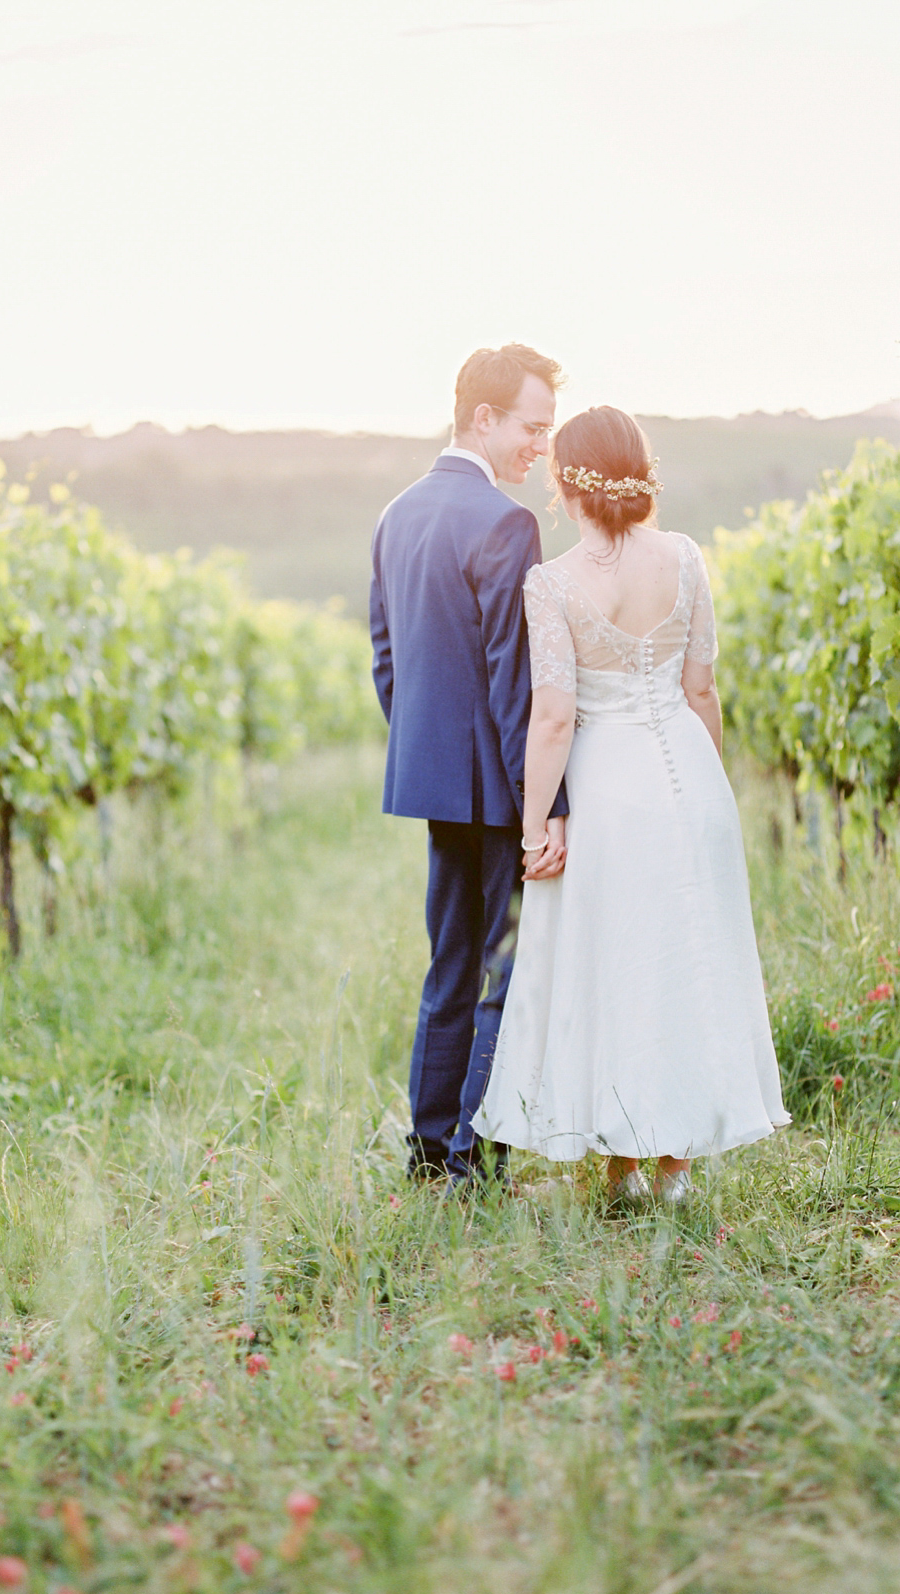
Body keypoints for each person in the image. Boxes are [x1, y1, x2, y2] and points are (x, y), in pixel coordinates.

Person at [471, 405, 788, 1204]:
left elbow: (551, 715)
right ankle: (671, 1163)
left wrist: (535, 820)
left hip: (608, 782)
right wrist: (704, 784)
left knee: (614, 965)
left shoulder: (552, 582)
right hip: (685, 771)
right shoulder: (684, 559)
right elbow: (701, 688)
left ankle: (622, 1163)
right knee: (682, 959)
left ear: (565, 484)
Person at [370, 344, 569, 1187]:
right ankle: (471, 1166)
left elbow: (387, 661)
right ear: (482, 418)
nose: (540, 447)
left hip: (434, 784)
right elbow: (511, 678)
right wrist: (542, 808)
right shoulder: (503, 524)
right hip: (497, 791)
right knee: (501, 972)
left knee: (450, 964)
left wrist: (429, 753)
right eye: (531, 426)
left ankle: (424, 1155)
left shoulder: (396, 515)